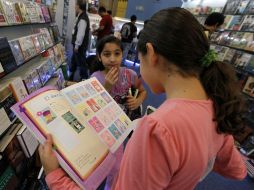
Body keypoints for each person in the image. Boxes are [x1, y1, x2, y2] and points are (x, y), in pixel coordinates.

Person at [39, 8, 247, 190]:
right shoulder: (217, 105)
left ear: (151, 53)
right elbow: (237, 170)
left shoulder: (158, 129)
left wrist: (55, 176)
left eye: (138, 58)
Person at [91, 36, 147, 120]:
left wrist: (138, 101)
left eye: (117, 53)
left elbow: (143, 91)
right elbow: (93, 106)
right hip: (105, 119)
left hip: (126, 119)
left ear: (122, 54)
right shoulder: (95, 78)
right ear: (99, 57)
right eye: (107, 54)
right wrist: (106, 87)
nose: (112, 59)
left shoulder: (130, 74)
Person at [69, 0, 90, 81]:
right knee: (74, 59)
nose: (74, 7)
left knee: (81, 62)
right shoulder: (81, 16)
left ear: (79, 6)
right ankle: (71, 74)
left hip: (80, 46)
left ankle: (84, 78)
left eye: (75, 5)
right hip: (79, 45)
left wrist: (77, 45)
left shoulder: (83, 18)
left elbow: (80, 34)